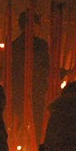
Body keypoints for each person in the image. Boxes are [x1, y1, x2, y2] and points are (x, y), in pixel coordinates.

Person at [8, 10, 51, 142]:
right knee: (29, 128)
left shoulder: (14, 45)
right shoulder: (37, 46)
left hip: (27, 93)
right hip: (26, 93)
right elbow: (46, 68)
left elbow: (47, 68)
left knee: (27, 127)